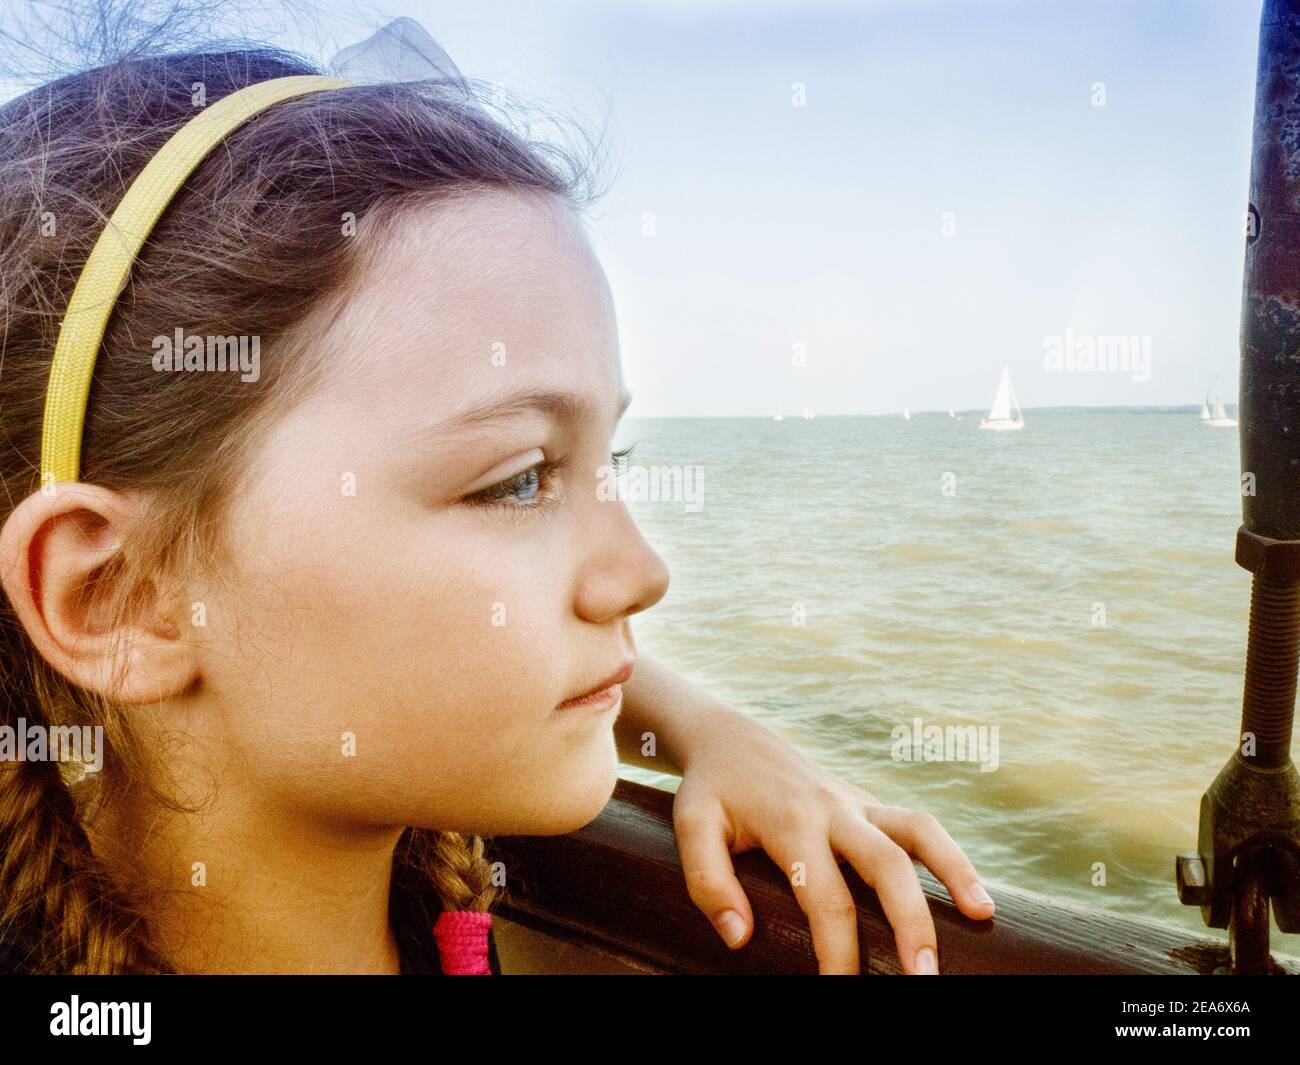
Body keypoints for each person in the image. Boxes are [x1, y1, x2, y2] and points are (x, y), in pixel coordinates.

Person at [0, 11, 993, 976]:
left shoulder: (432, 888)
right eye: (521, 480)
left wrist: (713, 729)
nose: (642, 574)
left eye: (613, 462)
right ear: (116, 595)